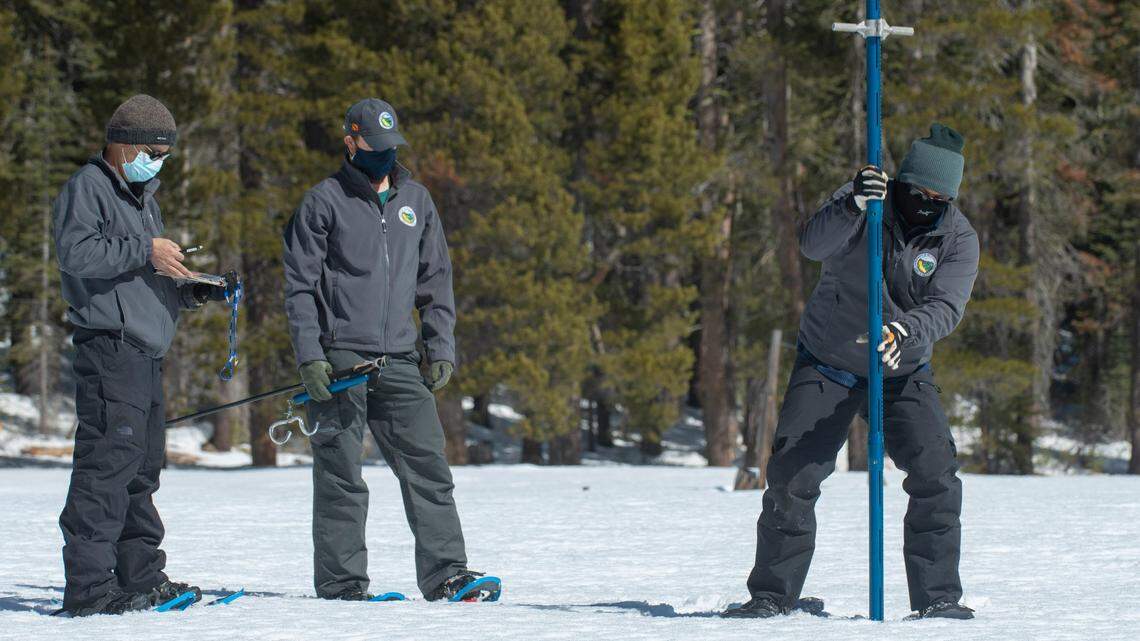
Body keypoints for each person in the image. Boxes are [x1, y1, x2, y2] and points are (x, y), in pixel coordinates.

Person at [723, 124, 980, 620]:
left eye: (939, 197)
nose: (927, 203)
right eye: (919, 193)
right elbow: (812, 245)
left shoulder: (957, 236)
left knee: (936, 477)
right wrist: (853, 206)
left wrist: (907, 331)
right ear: (902, 183)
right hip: (830, 360)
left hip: (901, 367)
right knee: (792, 477)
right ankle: (772, 596)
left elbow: (948, 305)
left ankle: (939, 599)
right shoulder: (867, 199)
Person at [283, 98, 497, 603]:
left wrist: (439, 344)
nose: (383, 156)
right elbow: (299, 288)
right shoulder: (322, 202)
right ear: (350, 142)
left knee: (428, 468)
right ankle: (342, 584)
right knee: (341, 476)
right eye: (373, 147)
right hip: (339, 360)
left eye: (390, 147)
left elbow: (436, 281)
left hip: (400, 361)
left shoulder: (416, 201)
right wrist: (310, 355)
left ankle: (447, 574)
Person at [54, 94, 238, 616]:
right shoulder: (87, 188)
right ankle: (90, 589)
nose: (157, 163)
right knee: (106, 467)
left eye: (163, 155)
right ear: (124, 144)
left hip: (145, 354)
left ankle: (139, 577)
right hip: (110, 348)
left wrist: (196, 290)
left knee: (141, 470)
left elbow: (143, 277)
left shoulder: (142, 199)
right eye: (153, 152)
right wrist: (146, 249)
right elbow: (77, 253)